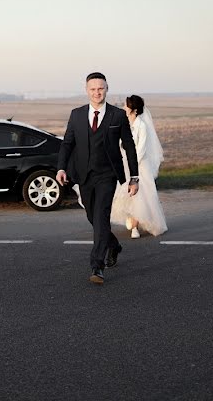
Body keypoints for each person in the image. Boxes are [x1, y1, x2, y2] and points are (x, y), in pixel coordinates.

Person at [56, 72, 139, 285]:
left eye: (100, 88)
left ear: (107, 88)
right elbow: (67, 144)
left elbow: (129, 147)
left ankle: (97, 266)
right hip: (83, 175)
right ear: (87, 90)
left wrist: (134, 177)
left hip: (107, 175)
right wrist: (61, 168)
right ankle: (114, 245)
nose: (97, 92)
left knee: (101, 216)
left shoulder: (117, 115)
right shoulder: (76, 115)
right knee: (93, 218)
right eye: (93, 89)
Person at [111, 95, 167, 238]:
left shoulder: (141, 126)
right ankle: (130, 219)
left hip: (139, 165)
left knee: (139, 197)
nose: (124, 107)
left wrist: (132, 165)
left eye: (126, 105)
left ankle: (135, 227)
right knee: (124, 194)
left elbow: (141, 149)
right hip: (123, 162)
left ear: (134, 110)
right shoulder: (123, 123)